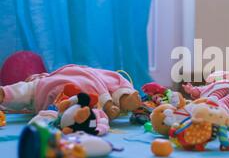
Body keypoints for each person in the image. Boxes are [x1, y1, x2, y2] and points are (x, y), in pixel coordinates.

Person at [0, 64, 141, 120]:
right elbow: (114, 79)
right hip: (83, 91)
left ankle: (4, 93)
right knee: (81, 108)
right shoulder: (95, 73)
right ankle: (119, 99)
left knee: (25, 91)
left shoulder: (41, 81)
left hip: (47, 90)